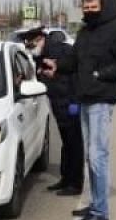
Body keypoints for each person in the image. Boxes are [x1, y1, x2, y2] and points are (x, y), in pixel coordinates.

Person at [43, 0, 116, 220]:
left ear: (103, 7)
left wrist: (100, 74)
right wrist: (57, 67)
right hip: (84, 99)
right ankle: (95, 204)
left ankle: (100, 213)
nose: (89, 11)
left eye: (93, 7)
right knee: (90, 156)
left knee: (98, 157)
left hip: (101, 100)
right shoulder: (85, 32)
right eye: (85, 7)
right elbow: (74, 62)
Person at [21, 26, 85, 196]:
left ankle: (75, 184)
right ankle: (66, 179)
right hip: (59, 104)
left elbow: (76, 73)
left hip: (71, 104)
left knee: (74, 144)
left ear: (40, 39)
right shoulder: (42, 55)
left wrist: (75, 102)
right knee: (67, 144)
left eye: (31, 45)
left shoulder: (61, 50)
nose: (31, 49)